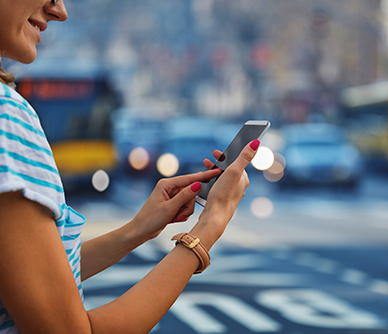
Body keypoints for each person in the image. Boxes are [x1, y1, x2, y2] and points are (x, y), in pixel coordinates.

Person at [0, 0, 261, 333]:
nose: (60, 10)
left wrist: (138, 230)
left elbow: (28, 275)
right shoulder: (6, 114)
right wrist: (208, 227)